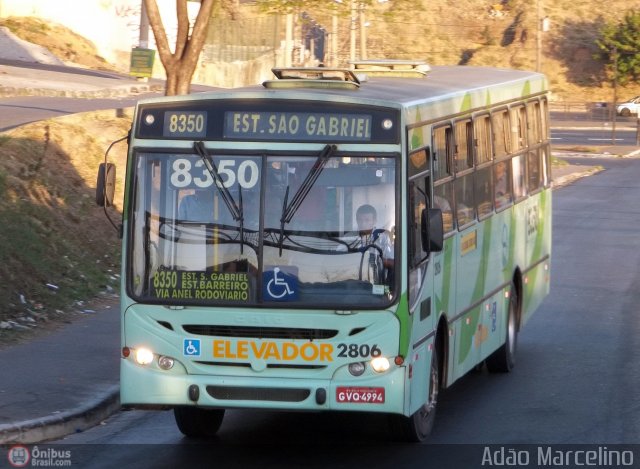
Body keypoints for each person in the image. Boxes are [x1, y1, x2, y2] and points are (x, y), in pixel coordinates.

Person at [355, 204, 394, 285]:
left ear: (374, 221)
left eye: (367, 220)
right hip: (352, 282)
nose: (363, 223)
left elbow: (393, 263)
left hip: (377, 283)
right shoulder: (348, 238)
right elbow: (340, 258)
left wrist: (375, 260)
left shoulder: (383, 237)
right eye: (360, 220)